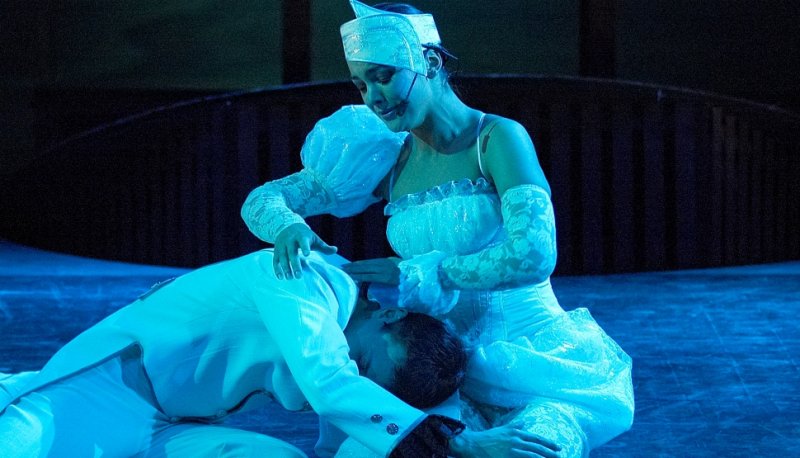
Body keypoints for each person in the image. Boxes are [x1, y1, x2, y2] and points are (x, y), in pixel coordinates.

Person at [241, 1, 635, 457]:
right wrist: (288, 226)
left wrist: (418, 273)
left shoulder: (496, 139)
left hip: (530, 361)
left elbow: (534, 254)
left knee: (533, 451)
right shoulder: (385, 157)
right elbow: (262, 200)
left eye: (383, 76)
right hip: (437, 372)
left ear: (428, 62)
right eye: (361, 84)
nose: (373, 97)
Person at [0, 249, 467, 457]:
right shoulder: (300, 276)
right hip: (104, 395)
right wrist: (443, 443)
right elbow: (330, 384)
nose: (354, 375)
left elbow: (336, 424)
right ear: (389, 315)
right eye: (362, 364)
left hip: (173, 429)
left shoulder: (342, 366)